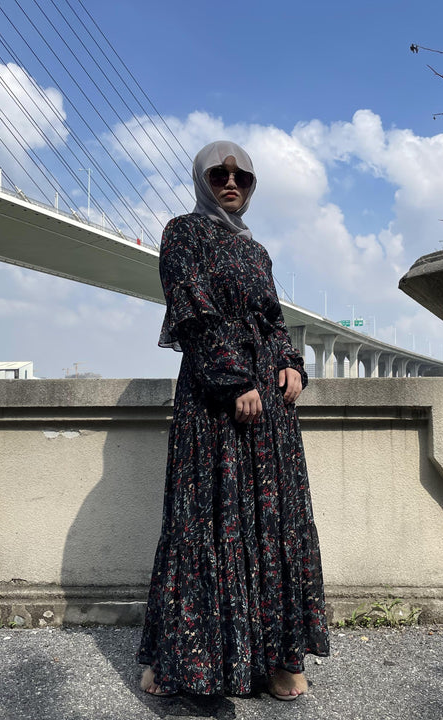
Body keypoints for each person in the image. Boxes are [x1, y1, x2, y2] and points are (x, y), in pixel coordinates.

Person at [137, 140, 329, 700]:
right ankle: (177, 660)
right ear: (202, 180)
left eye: (241, 176)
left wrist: (291, 363)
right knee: (204, 518)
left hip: (268, 404)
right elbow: (192, 309)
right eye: (219, 174)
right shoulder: (183, 233)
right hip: (213, 398)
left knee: (272, 523)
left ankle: (276, 658)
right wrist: (233, 378)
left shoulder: (256, 250)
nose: (230, 182)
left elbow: (272, 319)